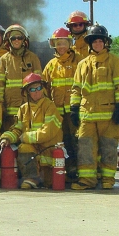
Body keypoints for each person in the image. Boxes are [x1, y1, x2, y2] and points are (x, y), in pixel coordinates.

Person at [70, 23, 119, 190]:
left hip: (109, 115)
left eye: (100, 41)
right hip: (87, 116)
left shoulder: (115, 63)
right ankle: (87, 180)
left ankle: (108, 180)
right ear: (90, 43)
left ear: (105, 43)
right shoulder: (82, 64)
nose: (97, 44)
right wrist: (74, 109)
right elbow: (76, 89)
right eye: (94, 41)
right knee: (86, 149)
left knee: (109, 148)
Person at [0, 73, 63, 189]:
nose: (36, 91)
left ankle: (40, 179)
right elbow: (17, 130)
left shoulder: (50, 106)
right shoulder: (23, 109)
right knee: (23, 147)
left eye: (39, 88)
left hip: (48, 156)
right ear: (26, 93)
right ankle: (32, 177)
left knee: (49, 182)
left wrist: (26, 137)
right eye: (32, 89)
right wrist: (7, 138)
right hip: (34, 154)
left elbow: (47, 132)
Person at [42, 28, 84, 182]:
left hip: (75, 111)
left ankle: (85, 171)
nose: (61, 46)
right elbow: (45, 89)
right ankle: (68, 170)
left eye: (64, 43)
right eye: (58, 43)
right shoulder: (51, 65)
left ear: (70, 43)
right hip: (58, 113)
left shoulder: (80, 61)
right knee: (62, 141)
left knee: (78, 140)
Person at [0, 24, 42, 131]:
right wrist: (0, 106)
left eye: (19, 38)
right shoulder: (4, 60)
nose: (16, 40)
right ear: (8, 41)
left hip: (30, 106)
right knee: (11, 138)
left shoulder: (33, 58)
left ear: (24, 39)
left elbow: (40, 83)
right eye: (13, 38)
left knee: (29, 137)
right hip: (10, 109)